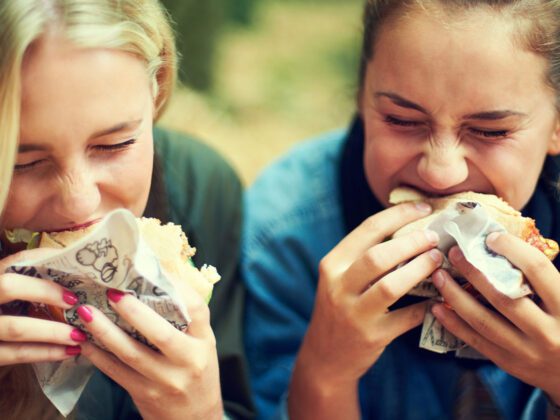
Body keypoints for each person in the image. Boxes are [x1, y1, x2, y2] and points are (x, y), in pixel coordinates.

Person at [242, 0, 560, 418]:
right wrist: (325, 373)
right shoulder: (284, 234)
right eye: (401, 119)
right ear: (360, 96)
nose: (442, 172)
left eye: (489, 131)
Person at [0, 1, 254, 419]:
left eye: (114, 145)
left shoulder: (199, 188)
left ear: (157, 89)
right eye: (21, 163)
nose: (79, 202)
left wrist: (202, 413)